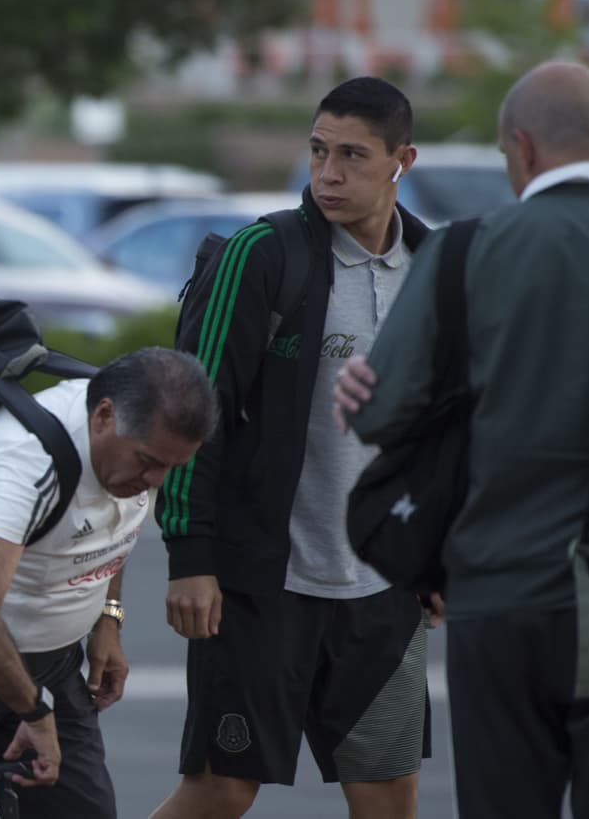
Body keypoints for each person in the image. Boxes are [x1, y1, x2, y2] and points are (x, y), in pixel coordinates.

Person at [334, 60, 589, 819]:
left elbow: (379, 413)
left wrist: (359, 390)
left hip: (498, 594)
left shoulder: (466, 250)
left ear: (521, 148)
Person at [150, 77, 435, 819]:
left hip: (383, 590)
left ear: (402, 160)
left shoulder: (435, 265)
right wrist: (191, 556)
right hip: (260, 586)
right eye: (317, 151)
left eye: (352, 155)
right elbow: (192, 405)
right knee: (220, 790)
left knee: (388, 799)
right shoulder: (264, 253)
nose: (328, 174)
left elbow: (446, 426)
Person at [0, 347, 217, 819]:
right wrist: (33, 712)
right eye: (148, 461)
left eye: (172, 467)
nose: (155, 481)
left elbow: (110, 530)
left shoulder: (126, 450)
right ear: (104, 415)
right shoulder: (29, 463)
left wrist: (107, 621)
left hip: (45, 665)